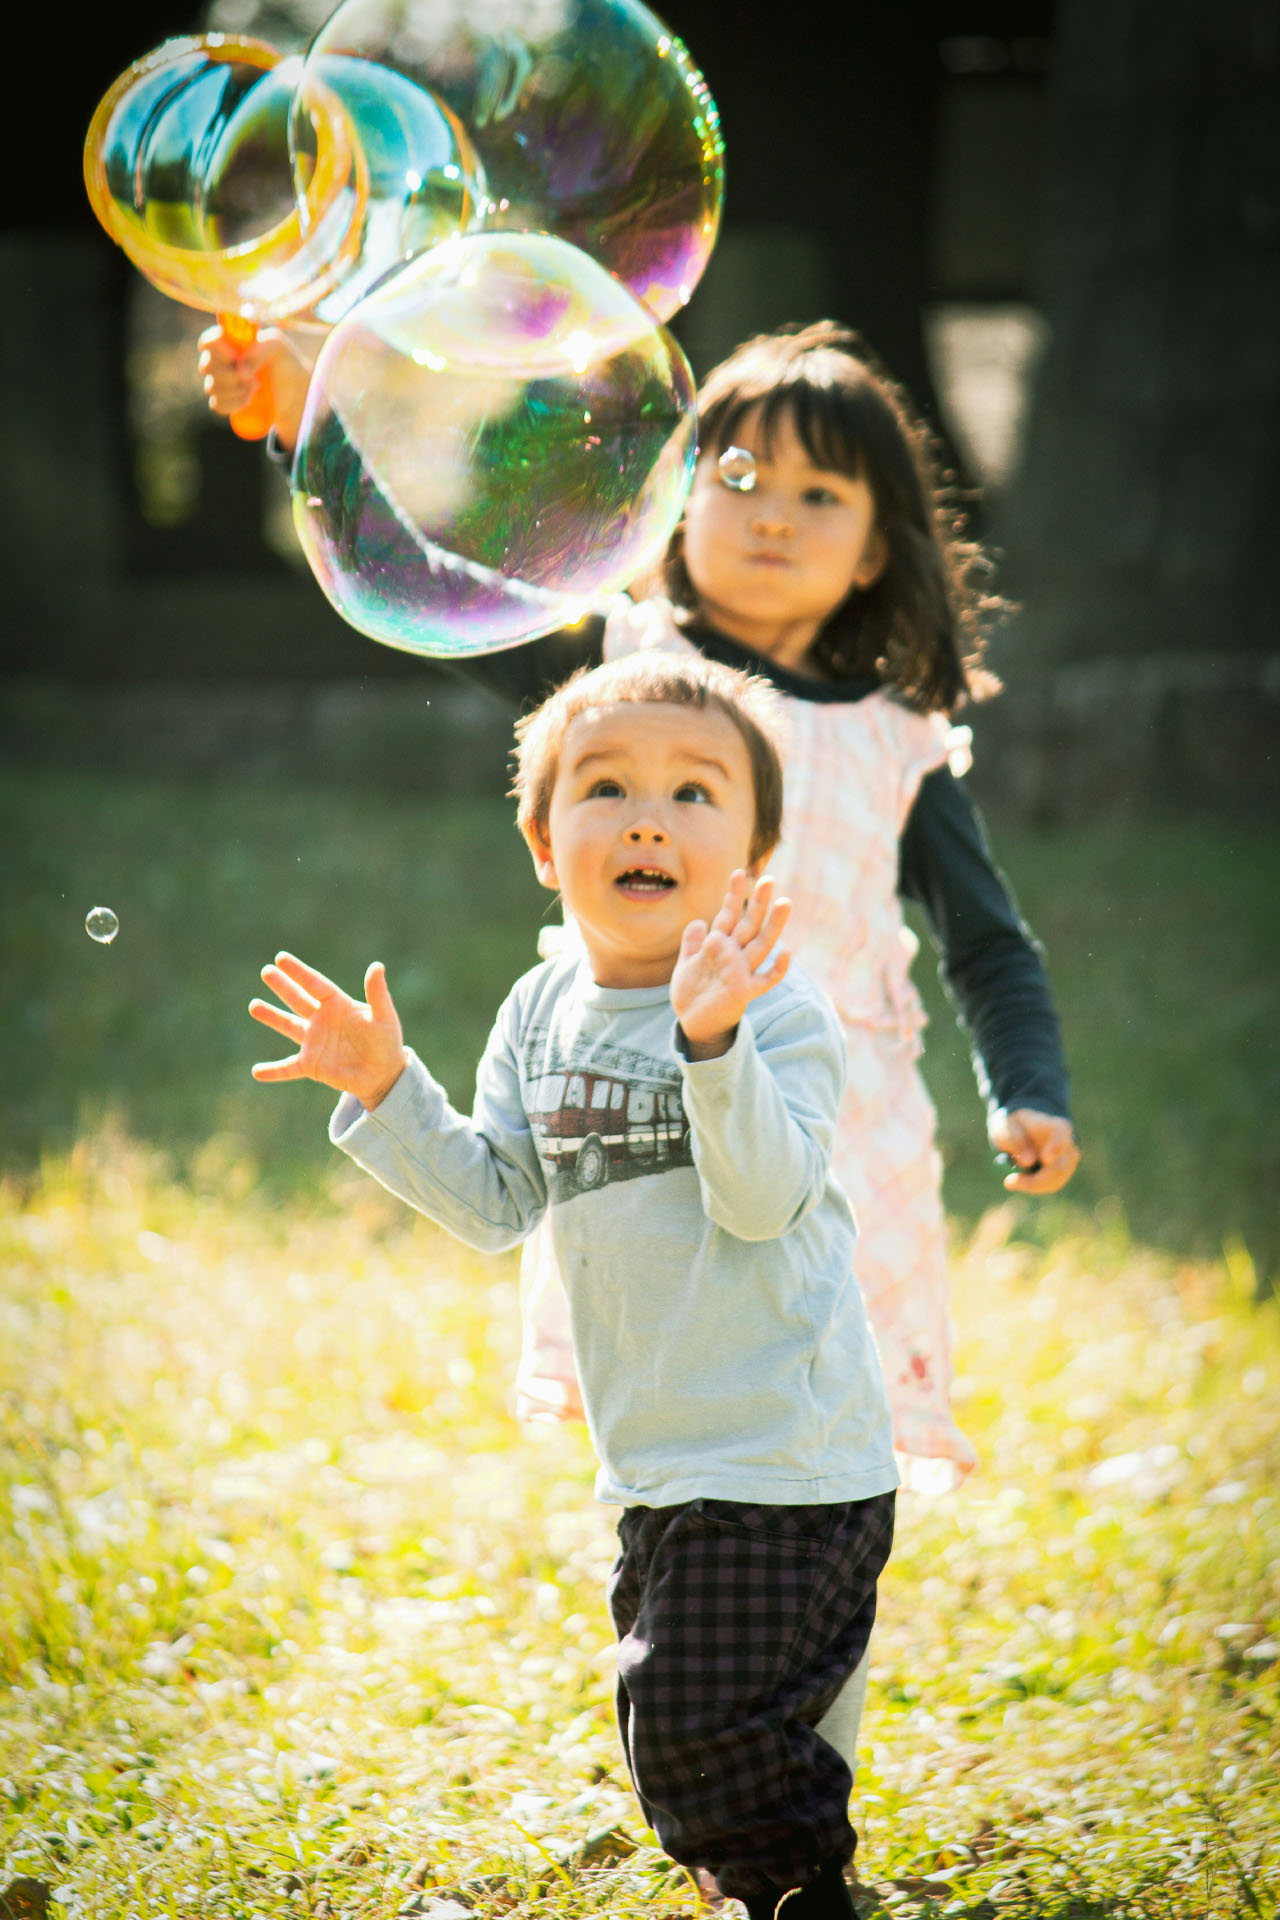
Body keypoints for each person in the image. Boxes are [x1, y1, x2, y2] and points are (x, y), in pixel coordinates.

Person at [200, 318, 1079, 1497]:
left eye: (821, 495)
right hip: (629, 1086)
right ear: (672, 500)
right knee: (668, 1386)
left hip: (835, 1120)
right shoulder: (613, 664)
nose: (773, 515)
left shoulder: (892, 740)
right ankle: (689, 1581)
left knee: (823, 1406)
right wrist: (301, 426)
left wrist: (1025, 1085)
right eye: (742, 479)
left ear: (875, 550)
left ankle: (804, 1599)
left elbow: (985, 943)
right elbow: (428, 578)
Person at [248, 651, 899, 1920]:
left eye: (693, 794)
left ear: (752, 855)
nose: (648, 816)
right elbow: (497, 1203)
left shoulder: (774, 1011)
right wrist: (386, 1089)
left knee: (681, 1714)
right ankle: (774, 1872)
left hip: (786, 1453)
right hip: (657, 1459)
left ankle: (798, 1886)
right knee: (729, 1706)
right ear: (545, 844)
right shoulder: (539, 1009)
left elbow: (763, 1199)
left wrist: (709, 1042)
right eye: (605, 788)